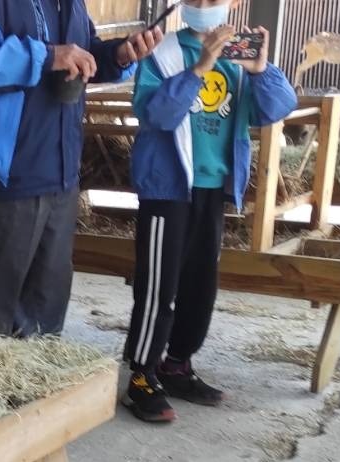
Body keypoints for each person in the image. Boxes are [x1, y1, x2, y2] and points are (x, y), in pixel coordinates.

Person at [0, 0, 161, 339]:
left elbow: (84, 55)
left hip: (61, 171)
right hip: (3, 171)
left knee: (46, 311)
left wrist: (119, 55)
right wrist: (45, 56)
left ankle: (37, 392)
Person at [121, 1, 297, 423]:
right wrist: (199, 67)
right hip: (168, 189)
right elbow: (156, 114)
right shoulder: (163, 52)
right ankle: (141, 376)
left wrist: (260, 71)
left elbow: (277, 108)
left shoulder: (240, 57)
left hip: (214, 189)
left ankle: (177, 364)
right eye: (195, 0)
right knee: (158, 288)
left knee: (201, 285)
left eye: (212, 0)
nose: (203, 6)